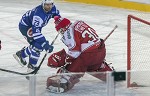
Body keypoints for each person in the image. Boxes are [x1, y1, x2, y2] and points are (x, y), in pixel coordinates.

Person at [46, 16, 114, 93]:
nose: (61, 33)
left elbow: (75, 52)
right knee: (94, 67)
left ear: (63, 28)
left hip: (89, 56)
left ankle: (63, 82)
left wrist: (66, 61)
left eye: (60, 30)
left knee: (73, 68)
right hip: (101, 51)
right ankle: (111, 74)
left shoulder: (68, 33)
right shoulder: (79, 23)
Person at [13, 0, 61, 72]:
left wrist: (59, 22)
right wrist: (45, 44)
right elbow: (36, 33)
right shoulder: (38, 15)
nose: (49, 7)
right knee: (39, 45)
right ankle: (31, 66)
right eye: (47, 5)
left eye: (50, 4)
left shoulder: (53, 8)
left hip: (33, 26)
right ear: (43, 4)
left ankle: (21, 54)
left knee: (38, 44)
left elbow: (56, 14)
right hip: (26, 26)